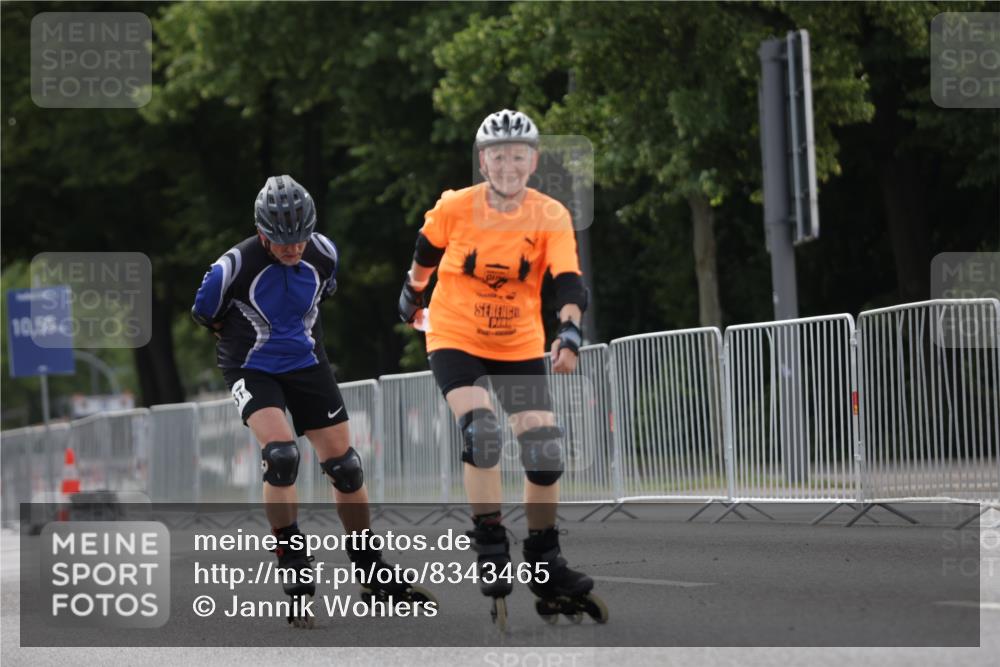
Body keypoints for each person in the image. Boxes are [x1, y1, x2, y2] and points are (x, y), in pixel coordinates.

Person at [193, 175, 432, 627]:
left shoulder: (324, 253)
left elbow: (320, 296)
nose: (293, 249)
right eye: (282, 242)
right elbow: (206, 314)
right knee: (281, 456)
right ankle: (292, 557)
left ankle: (370, 570)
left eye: (299, 239)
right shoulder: (231, 267)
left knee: (346, 467)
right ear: (261, 233)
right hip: (252, 366)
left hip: (306, 362)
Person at [398, 110, 607, 627]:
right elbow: (425, 251)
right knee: (483, 432)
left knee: (544, 447)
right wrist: (413, 292)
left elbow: (567, 281)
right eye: (498, 154)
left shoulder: (550, 214)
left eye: (518, 155)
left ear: (533, 161)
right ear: (482, 160)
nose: (508, 164)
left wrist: (570, 331)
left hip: (517, 341)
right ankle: (491, 542)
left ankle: (544, 558)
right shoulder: (456, 206)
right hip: (455, 334)